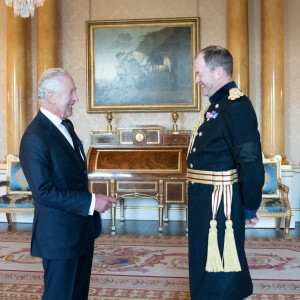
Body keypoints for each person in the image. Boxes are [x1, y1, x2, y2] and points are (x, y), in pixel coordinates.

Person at [19, 68, 118, 300]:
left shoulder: (66, 126)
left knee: (77, 295)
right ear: (52, 96)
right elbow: (44, 192)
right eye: (71, 92)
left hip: (80, 232)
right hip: (59, 237)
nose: (76, 98)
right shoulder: (35, 136)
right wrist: (92, 201)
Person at [187, 46, 265, 299]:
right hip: (205, 201)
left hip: (221, 203)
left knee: (220, 267)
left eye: (199, 73)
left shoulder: (236, 106)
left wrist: (249, 206)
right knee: (203, 260)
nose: (197, 80)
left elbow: (250, 163)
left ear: (219, 71)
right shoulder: (218, 105)